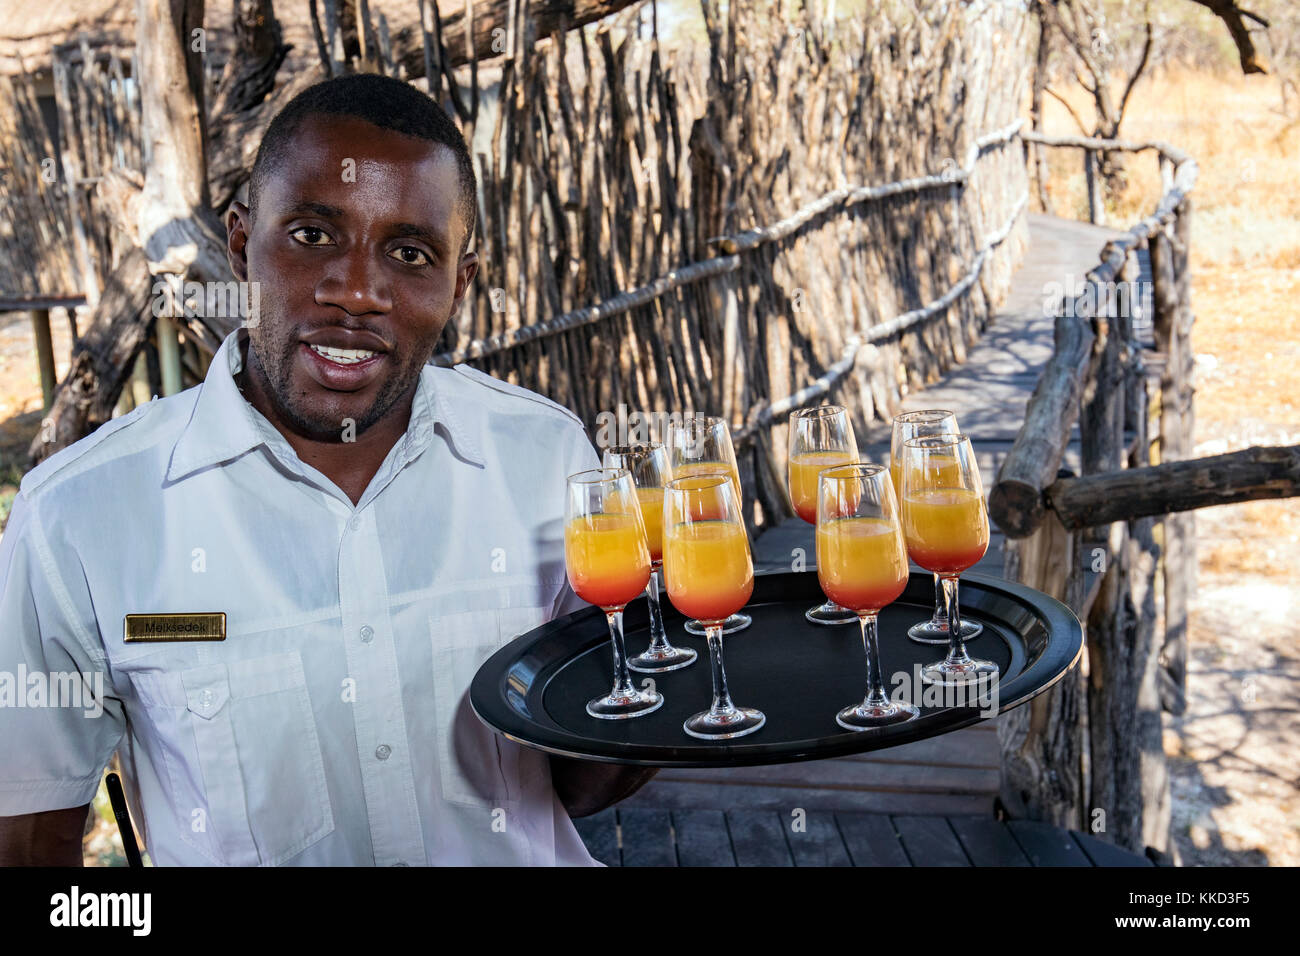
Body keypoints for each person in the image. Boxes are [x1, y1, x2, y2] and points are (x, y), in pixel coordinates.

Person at [0, 73, 657, 866]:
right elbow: (30, 840)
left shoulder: (546, 460)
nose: (356, 291)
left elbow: (583, 783)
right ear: (241, 245)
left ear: (461, 284)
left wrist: (663, 660)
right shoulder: (81, 517)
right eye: (313, 236)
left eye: (410, 253)